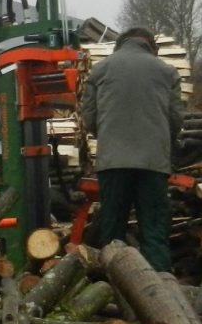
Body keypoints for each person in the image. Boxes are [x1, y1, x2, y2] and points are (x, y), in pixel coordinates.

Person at [78, 26, 182, 272]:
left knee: (113, 233)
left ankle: (110, 291)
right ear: (151, 46)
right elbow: (176, 119)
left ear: (121, 44)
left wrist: (108, 138)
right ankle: (160, 291)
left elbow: (89, 117)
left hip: (113, 163)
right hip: (153, 164)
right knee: (154, 233)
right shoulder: (167, 71)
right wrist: (161, 142)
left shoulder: (101, 69)